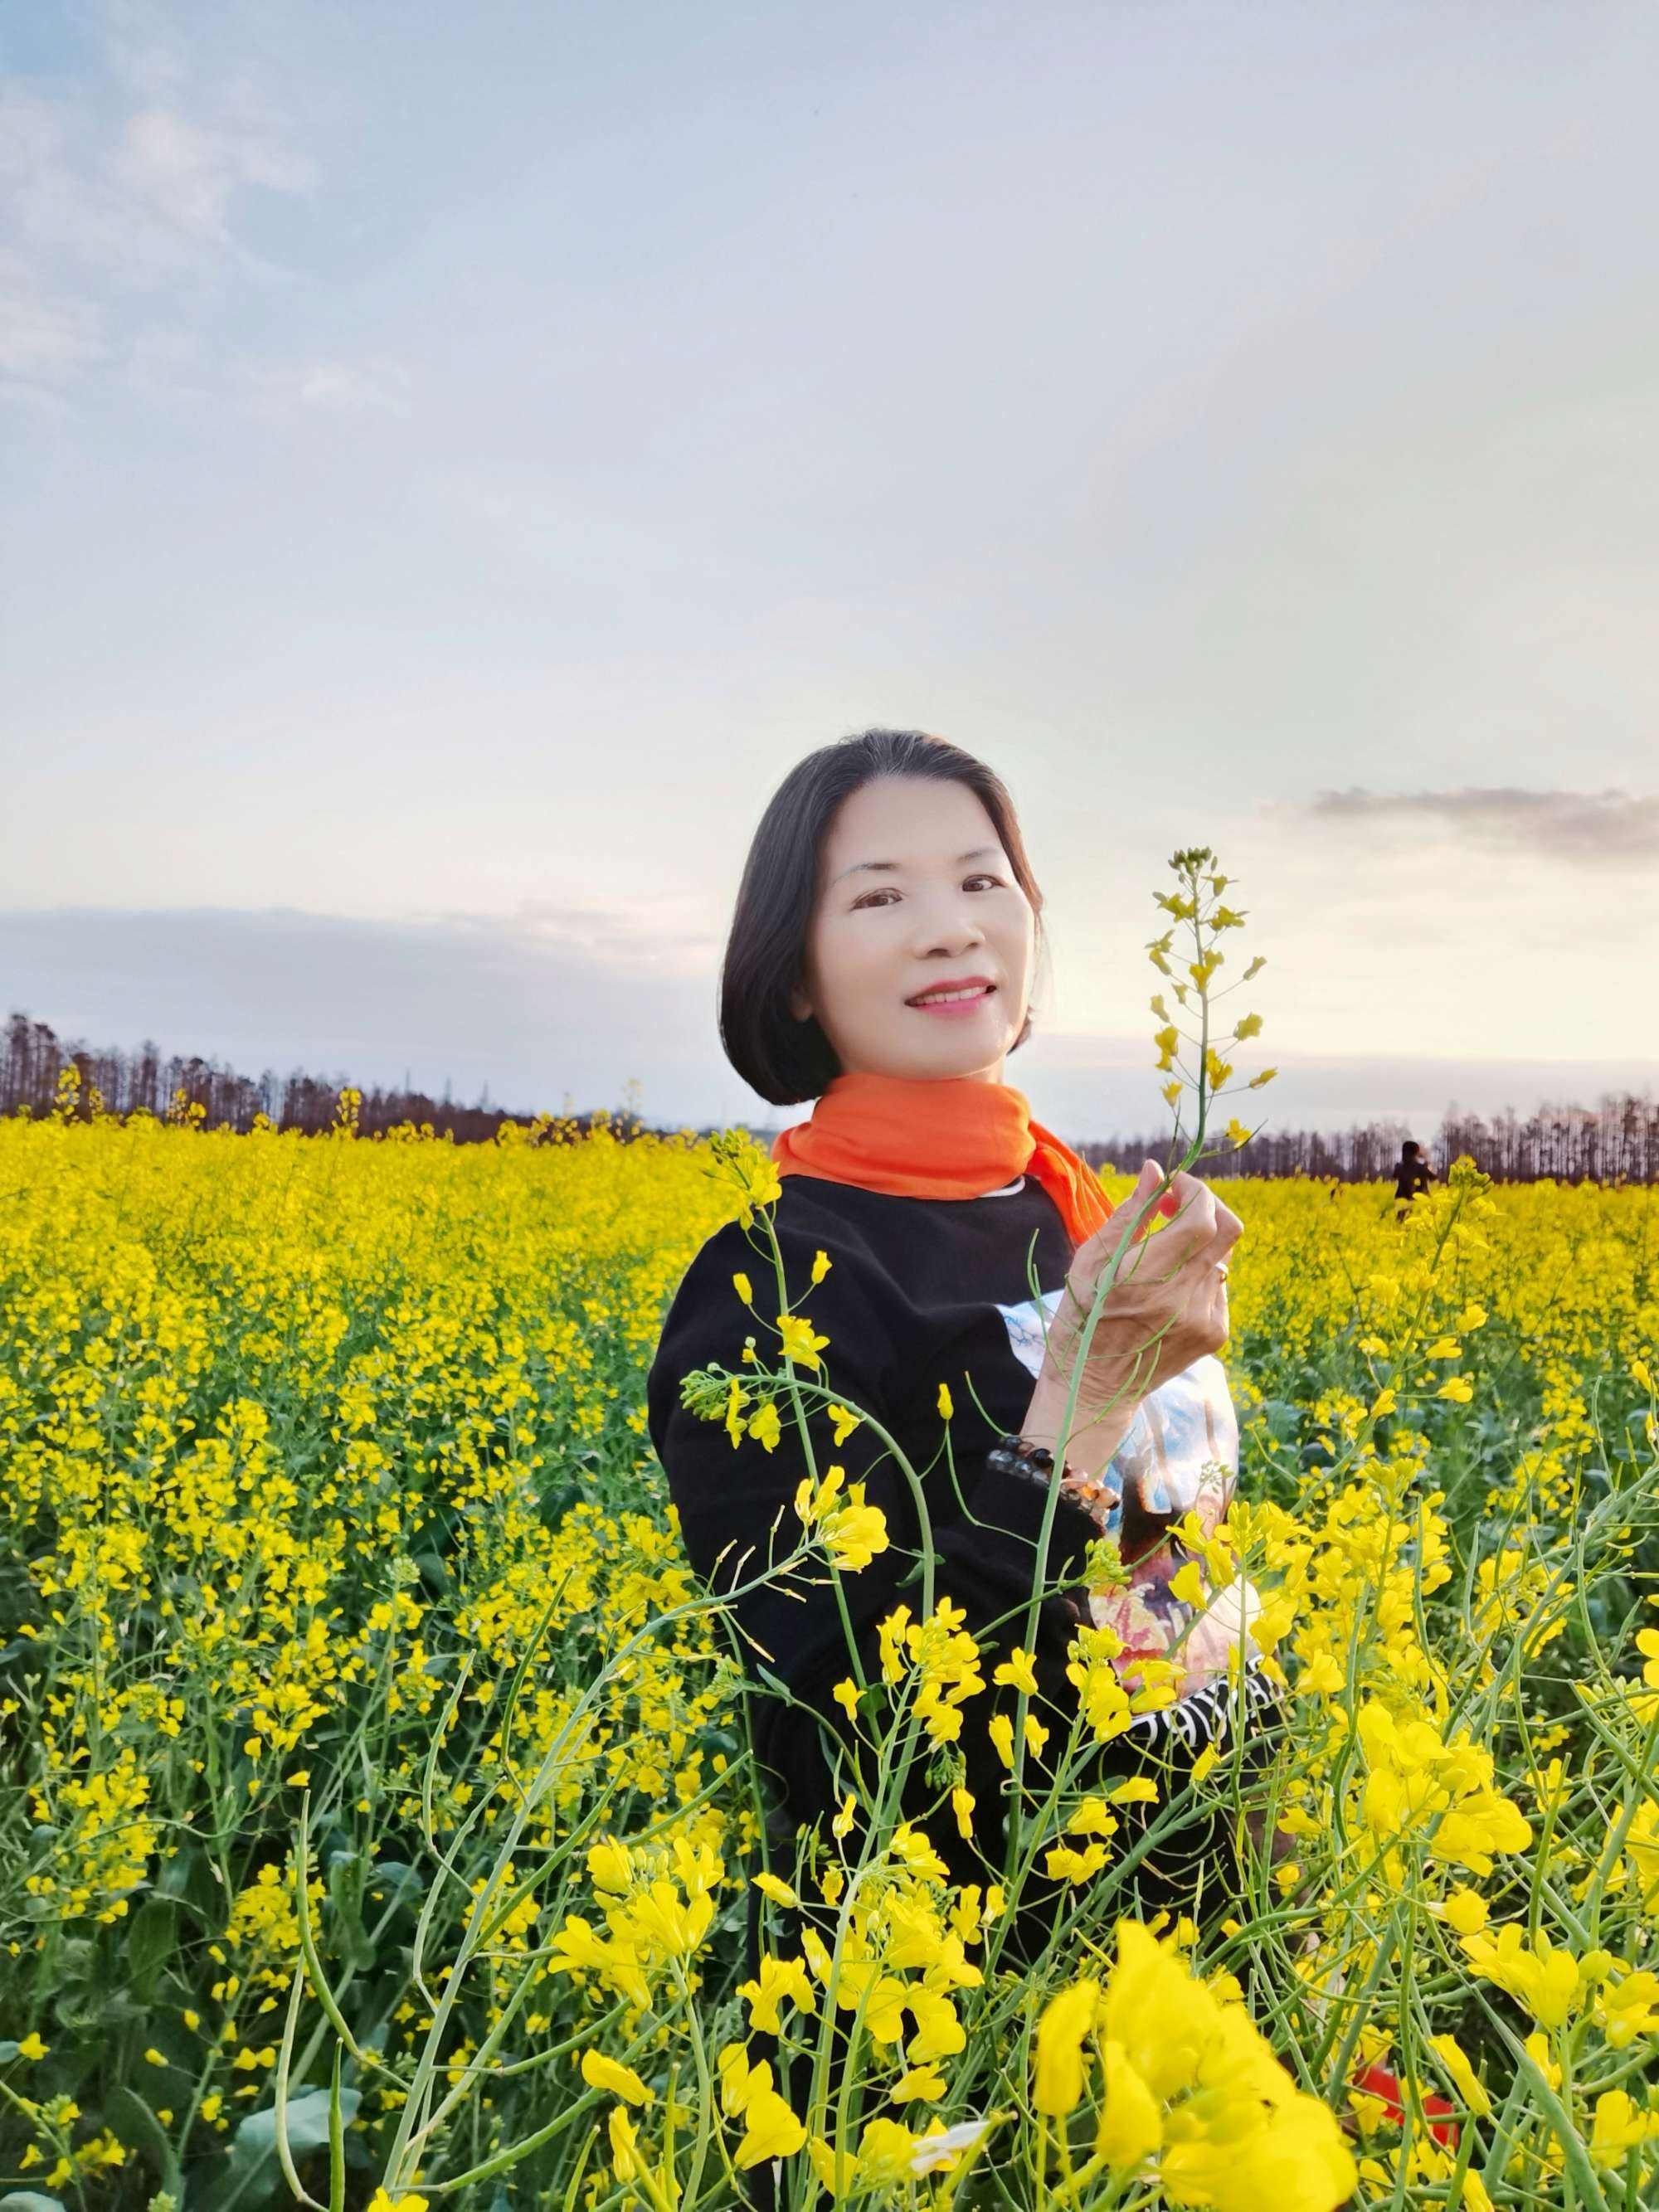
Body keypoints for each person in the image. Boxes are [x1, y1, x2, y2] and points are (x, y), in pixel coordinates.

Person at [645, 730, 1281, 2207]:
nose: (950, 923)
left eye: (983, 878)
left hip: (1186, 1984)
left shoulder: (1083, 1215)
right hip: (944, 2046)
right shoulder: (770, 1281)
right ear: (793, 970)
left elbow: (1173, 1578)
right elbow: (851, 1737)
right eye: (877, 896)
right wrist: (1076, 1399)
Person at [1393, 1139, 1435, 1220]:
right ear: (1416, 1153)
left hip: (1401, 1204)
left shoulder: (1399, 1167)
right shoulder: (1421, 1167)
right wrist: (1427, 1163)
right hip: (1417, 1205)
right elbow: (1433, 1177)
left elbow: (1394, 1176)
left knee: (1400, 1226)